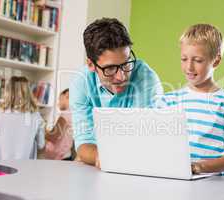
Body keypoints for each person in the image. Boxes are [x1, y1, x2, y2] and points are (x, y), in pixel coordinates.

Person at [70, 18, 164, 167]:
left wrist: (107, 155)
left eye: (126, 63)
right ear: (90, 64)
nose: (122, 77)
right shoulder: (81, 82)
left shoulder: (146, 79)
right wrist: (99, 156)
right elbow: (84, 143)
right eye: (110, 68)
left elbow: (143, 141)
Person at [156, 24, 224, 175]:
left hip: (217, 185)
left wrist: (198, 167)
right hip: (179, 181)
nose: (189, 67)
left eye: (198, 60)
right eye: (184, 59)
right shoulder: (168, 101)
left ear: (216, 61)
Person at [0, 76, 45, 176]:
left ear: (8, 92)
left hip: (0, 169)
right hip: (24, 171)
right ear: (28, 93)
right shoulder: (36, 116)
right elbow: (41, 144)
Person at [44, 88, 75, 160]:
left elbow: (53, 137)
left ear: (67, 95)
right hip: (65, 157)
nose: (58, 103)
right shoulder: (72, 113)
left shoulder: (65, 114)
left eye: (60, 99)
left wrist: (43, 129)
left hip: (61, 159)